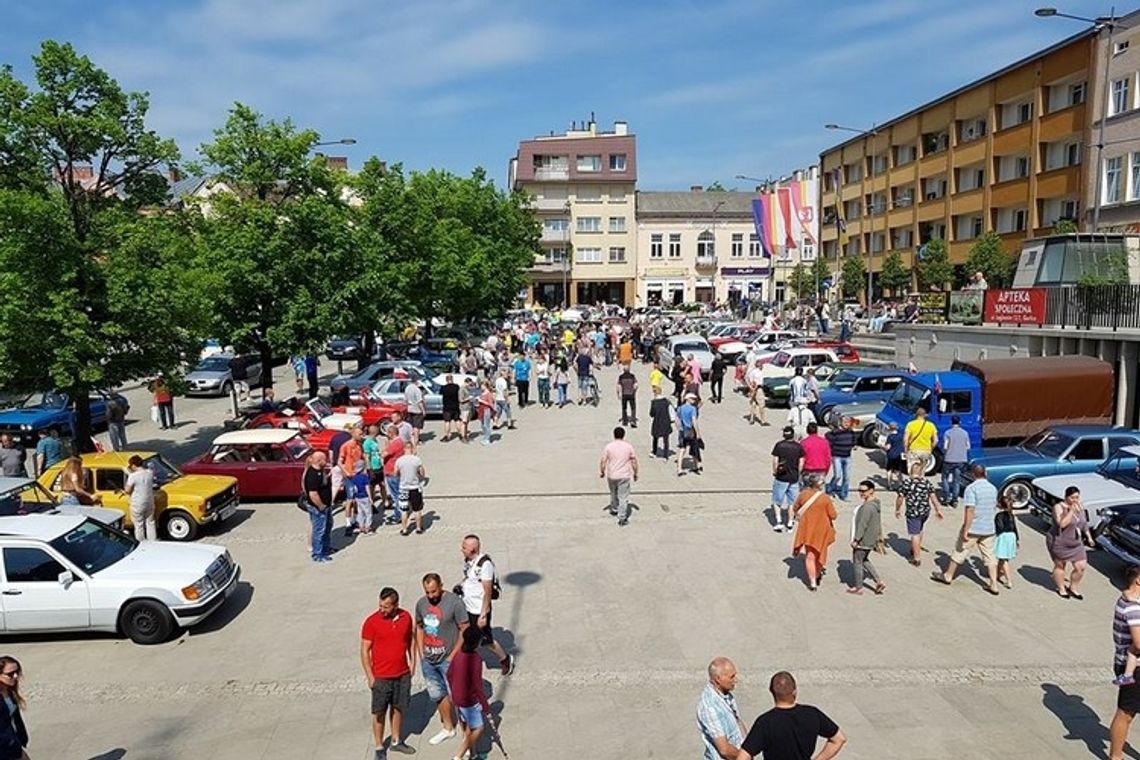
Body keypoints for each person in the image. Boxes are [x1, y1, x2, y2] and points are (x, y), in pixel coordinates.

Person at [737, 671, 846, 760]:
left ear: (772, 692)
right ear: (795, 691)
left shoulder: (765, 722)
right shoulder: (812, 714)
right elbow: (839, 739)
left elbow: (743, 756)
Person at [360, 587, 416, 758]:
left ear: (395, 605)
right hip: (381, 676)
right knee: (379, 712)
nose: (381, 610)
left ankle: (396, 740)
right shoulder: (371, 622)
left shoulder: (406, 617)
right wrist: (370, 676)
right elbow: (364, 650)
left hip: (402, 673)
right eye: (380, 606)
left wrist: (413, 662)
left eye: (386, 607)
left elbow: (411, 640)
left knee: (399, 708)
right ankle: (378, 746)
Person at [415, 573, 469, 747]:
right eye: (427, 592)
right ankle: (447, 727)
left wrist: (453, 656)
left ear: (441, 586)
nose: (431, 596)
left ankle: (466, 736)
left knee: (458, 697)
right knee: (437, 694)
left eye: (433, 591)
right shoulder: (421, 604)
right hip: (429, 659)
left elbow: (464, 629)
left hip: (448, 659)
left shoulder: (455, 603)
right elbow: (419, 627)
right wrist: (421, 654)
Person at [931, 464, 1000, 595]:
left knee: (960, 550)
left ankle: (948, 575)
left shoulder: (971, 489)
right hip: (989, 527)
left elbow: (970, 510)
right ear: (985, 473)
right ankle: (994, 584)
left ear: (973, 474)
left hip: (974, 527)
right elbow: (993, 506)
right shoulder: (993, 488)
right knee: (990, 556)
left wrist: (966, 529)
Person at [459, 535, 513, 675]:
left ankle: (505, 659)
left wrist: (483, 614)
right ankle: (466, 662)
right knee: (467, 636)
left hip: (479, 609)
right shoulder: (469, 561)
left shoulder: (485, 564)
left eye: (465, 547)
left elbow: (487, 589)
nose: (462, 549)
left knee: (487, 641)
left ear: (473, 549)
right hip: (468, 606)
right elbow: (470, 578)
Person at [447, 625, 493, 760]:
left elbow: (449, 674)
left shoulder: (458, 655)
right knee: (478, 728)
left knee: (468, 728)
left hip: (457, 698)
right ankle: (458, 756)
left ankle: (473, 754)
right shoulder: (475, 659)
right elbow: (477, 685)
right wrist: (485, 705)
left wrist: (453, 691)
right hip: (469, 701)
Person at [1110, 565, 1140, 758]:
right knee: (1126, 713)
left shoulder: (1129, 600)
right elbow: (1138, 643)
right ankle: (1116, 756)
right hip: (1134, 668)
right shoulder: (1132, 608)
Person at [791, 475, 837, 591]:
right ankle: (817, 574)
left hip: (807, 528)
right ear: (819, 484)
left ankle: (812, 582)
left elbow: (795, 508)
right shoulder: (825, 498)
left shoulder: (803, 494)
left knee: (809, 555)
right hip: (822, 530)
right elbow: (833, 515)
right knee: (820, 553)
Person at [1047, 485, 1092, 600]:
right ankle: (1061, 588)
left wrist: (1089, 537)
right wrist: (1071, 511)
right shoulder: (1058, 507)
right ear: (1066, 497)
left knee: (1081, 566)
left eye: (1077, 497)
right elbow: (1062, 524)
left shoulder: (1080, 507)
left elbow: (1084, 523)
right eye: (1072, 498)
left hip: (1076, 543)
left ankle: (1073, 588)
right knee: (1060, 565)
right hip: (1060, 542)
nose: (1075, 500)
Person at [696, 657, 746, 760]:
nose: (735, 680)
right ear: (718, 679)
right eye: (731, 677)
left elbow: (737, 721)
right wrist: (745, 757)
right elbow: (724, 750)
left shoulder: (725, 694)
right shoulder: (710, 707)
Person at [896, 462, 943, 566]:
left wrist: (897, 509)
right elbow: (933, 497)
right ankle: (915, 548)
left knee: (914, 534)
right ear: (922, 472)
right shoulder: (926, 483)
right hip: (925, 511)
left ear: (910, 471)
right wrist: (938, 509)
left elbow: (900, 497)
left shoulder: (907, 483)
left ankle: (916, 558)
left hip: (913, 512)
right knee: (920, 529)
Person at [849, 480, 885, 595]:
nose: (861, 493)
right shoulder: (875, 504)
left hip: (863, 540)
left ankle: (858, 587)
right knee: (864, 560)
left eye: (864, 491)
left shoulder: (866, 508)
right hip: (871, 539)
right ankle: (878, 581)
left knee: (857, 561)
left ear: (871, 491)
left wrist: (856, 539)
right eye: (859, 490)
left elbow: (862, 525)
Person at [600, 426, 639, 527]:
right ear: (623, 435)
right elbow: (634, 461)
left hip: (612, 475)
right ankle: (622, 518)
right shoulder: (628, 447)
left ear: (614, 435)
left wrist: (602, 471)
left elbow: (603, 460)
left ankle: (614, 509)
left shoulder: (609, 446)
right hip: (624, 476)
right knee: (623, 497)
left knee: (613, 493)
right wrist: (635, 473)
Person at [303, 451, 333, 563]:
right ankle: (317, 553)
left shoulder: (320, 471)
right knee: (319, 530)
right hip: (318, 508)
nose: (327, 462)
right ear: (319, 460)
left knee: (327, 527)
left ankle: (325, 548)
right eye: (324, 459)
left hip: (327, 506)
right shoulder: (313, 474)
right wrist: (321, 506)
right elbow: (313, 494)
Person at [339, 424, 366, 538]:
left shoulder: (360, 444)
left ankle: (355, 519)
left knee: (357, 499)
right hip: (350, 476)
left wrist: (365, 468)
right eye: (359, 434)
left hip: (358, 475)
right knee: (350, 500)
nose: (361, 436)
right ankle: (348, 524)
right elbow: (339, 461)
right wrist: (345, 472)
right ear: (353, 434)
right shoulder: (346, 446)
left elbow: (362, 457)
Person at [0, 656, 28, 760]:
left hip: (13, 745)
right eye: (10, 674)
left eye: (17, 672)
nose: (15, 676)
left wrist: (21, 739)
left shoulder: (9, 691)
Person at [123, 455, 156, 541]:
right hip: (149, 501)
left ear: (133, 465)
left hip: (137, 503)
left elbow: (127, 490)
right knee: (150, 523)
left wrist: (130, 474)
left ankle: (142, 542)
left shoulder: (133, 476)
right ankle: (153, 542)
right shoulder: (149, 472)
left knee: (138, 525)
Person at [396, 443, 426, 536]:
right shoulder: (417, 459)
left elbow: (395, 473)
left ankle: (404, 529)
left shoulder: (399, 460)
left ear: (404, 448)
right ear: (412, 448)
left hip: (403, 488)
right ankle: (418, 528)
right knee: (417, 509)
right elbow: (422, 473)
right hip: (415, 488)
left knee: (404, 510)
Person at [940, 415, 970, 506]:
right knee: (956, 480)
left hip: (949, 459)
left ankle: (946, 497)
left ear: (951, 422)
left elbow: (945, 446)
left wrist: (945, 453)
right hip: (961, 459)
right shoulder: (965, 433)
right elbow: (968, 447)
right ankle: (955, 499)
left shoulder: (948, 433)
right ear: (959, 422)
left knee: (945, 478)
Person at [825, 418, 857, 501]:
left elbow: (854, 441)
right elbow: (828, 439)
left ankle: (844, 495)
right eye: (845, 422)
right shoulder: (835, 432)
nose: (847, 424)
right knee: (837, 476)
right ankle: (830, 489)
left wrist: (854, 446)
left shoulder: (851, 432)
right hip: (837, 457)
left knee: (847, 477)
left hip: (847, 457)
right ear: (841, 423)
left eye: (848, 422)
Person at [380, 423, 405, 525]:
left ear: (391, 434)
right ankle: (400, 513)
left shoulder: (395, 443)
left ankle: (398, 515)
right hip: (396, 471)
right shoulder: (400, 441)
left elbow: (383, 454)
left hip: (391, 472)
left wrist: (385, 447)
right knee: (398, 493)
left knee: (395, 495)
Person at [994, 494, 1019, 590]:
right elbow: (1015, 528)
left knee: (1003, 559)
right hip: (1011, 536)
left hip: (1003, 537)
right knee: (1003, 558)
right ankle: (998, 575)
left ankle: (1008, 580)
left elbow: (999, 528)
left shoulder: (999, 516)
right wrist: (1017, 539)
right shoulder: (1011, 515)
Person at [903, 406, 936, 472]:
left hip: (913, 450)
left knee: (912, 470)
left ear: (916, 415)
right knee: (922, 470)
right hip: (926, 450)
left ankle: (913, 481)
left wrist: (905, 450)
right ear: (925, 415)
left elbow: (905, 439)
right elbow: (936, 440)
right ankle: (921, 480)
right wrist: (931, 449)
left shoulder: (910, 424)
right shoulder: (931, 425)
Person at [676, 393, 702, 476]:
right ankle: (696, 466)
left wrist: (679, 429)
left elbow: (677, 420)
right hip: (691, 430)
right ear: (687, 399)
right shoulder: (692, 409)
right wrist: (698, 433)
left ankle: (679, 469)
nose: (694, 400)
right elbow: (694, 421)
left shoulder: (680, 408)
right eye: (692, 399)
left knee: (682, 449)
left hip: (683, 431)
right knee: (694, 448)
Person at [648, 385, 674, 458]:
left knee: (655, 437)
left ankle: (654, 452)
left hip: (657, 421)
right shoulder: (666, 401)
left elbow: (651, 414)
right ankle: (666, 455)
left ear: (655, 393)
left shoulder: (654, 402)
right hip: (666, 421)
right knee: (666, 439)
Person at [880, 422, 904, 490]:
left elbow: (888, 447)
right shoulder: (900, 435)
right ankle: (900, 484)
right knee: (898, 471)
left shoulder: (890, 437)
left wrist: (882, 446)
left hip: (890, 455)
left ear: (890, 428)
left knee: (889, 470)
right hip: (898, 455)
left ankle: (889, 485)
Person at [404, 379, 426, 447]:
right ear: (416, 381)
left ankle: (411, 440)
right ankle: (416, 441)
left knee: (411, 426)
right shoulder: (417, 389)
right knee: (417, 427)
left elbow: (406, 400)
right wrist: (423, 410)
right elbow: (419, 401)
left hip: (409, 409)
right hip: (417, 410)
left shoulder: (407, 388)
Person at [746, 359, 768, 426]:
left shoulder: (752, 372)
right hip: (758, 389)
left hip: (752, 389)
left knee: (753, 404)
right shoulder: (759, 372)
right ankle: (763, 421)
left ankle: (751, 419)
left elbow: (747, 379)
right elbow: (759, 383)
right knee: (762, 405)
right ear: (760, 366)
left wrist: (750, 387)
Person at [477, 381, 496, 445]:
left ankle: (487, 438)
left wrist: (481, 401)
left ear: (485, 386)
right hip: (482, 410)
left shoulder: (489, 394)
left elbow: (490, 404)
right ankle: (485, 437)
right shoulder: (483, 393)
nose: (481, 387)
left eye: (482, 386)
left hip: (487, 410)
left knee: (486, 425)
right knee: (483, 425)